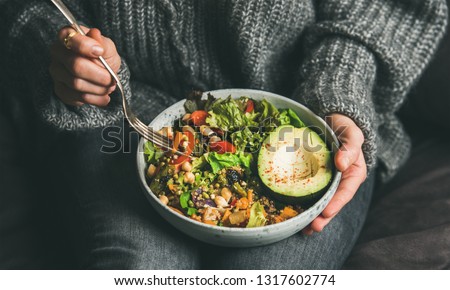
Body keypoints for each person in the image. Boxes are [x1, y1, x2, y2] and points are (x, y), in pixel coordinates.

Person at [0, 0, 447, 269]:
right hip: (111, 117)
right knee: (142, 268)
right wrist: (57, 51)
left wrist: (338, 85)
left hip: (306, 113)